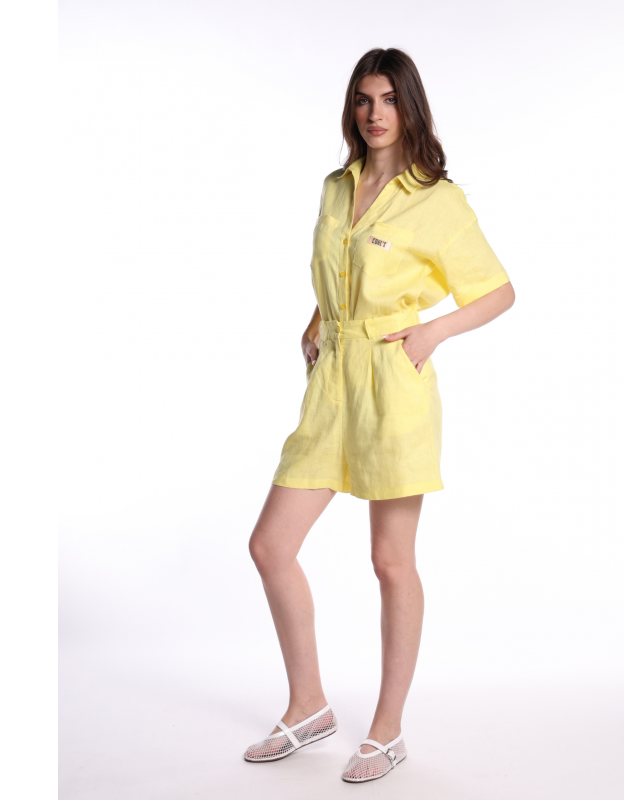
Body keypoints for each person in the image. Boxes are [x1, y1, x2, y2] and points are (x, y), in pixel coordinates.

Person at [244, 47, 515, 783]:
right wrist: (316, 321)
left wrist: (433, 332)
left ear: (410, 107)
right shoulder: (337, 187)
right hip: (330, 384)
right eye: (364, 100)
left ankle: (387, 730)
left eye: (389, 100)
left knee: (390, 562)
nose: (374, 113)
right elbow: (338, 270)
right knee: (270, 545)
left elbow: (498, 291)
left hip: (394, 385)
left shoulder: (436, 200)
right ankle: (308, 706)